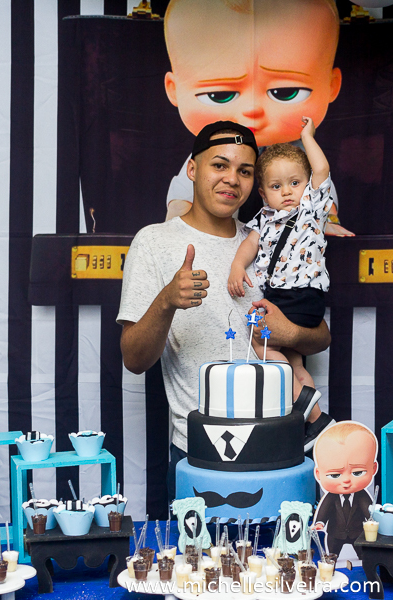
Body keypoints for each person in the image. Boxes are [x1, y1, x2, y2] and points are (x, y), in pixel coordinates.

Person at [117, 121, 332, 500]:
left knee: (285, 560)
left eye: (245, 171)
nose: (232, 179)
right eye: (220, 165)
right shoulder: (155, 242)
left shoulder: (266, 238)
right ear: (193, 169)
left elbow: (321, 336)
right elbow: (134, 358)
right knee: (195, 562)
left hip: (284, 446)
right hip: (202, 450)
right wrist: (167, 300)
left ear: (255, 183)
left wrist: (290, 333)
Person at [161, 0, 352, 237]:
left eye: (285, 92)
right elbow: (184, 195)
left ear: (331, 86)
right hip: (225, 238)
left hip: (289, 243)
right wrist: (179, 220)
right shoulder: (212, 151)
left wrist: (327, 217)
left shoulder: (299, 155)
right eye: (219, 95)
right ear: (174, 89)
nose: (252, 110)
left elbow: (320, 183)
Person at [228, 116, 333, 421]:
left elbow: (322, 170)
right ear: (263, 193)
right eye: (276, 186)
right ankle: (315, 419)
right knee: (299, 363)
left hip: (300, 298)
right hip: (280, 298)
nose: (287, 191)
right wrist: (237, 264)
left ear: (307, 184)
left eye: (295, 183)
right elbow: (249, 244)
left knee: (257, 340)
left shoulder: (310, 210)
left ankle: (282, 376)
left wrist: (307, 136)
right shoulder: (264, 217)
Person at [312, 421, 378, 557]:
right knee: (331, 556)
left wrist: (372, 520)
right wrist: (320, 522)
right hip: (335, 533)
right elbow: (324, 509)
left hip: (358, 533)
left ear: (373, 469)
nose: (346, 480)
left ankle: (367, 570)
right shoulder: (331, 497)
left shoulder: (362, 496)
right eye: (335, 475)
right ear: (319, 474)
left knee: (364, 556)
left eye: (357, 472)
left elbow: (368, 511)